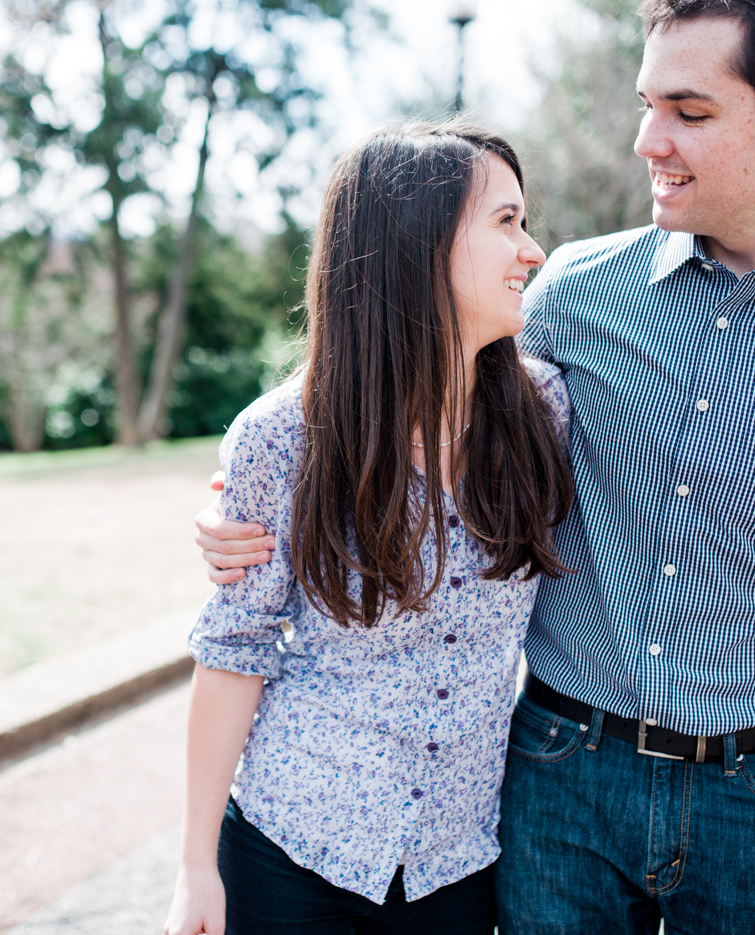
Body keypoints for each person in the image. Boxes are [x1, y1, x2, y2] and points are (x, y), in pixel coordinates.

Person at [195, 0, 755, 932]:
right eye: (646, 103)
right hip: (556, 782)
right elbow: (406, 386)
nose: (647, 140)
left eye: (689, 113)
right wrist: (241, 506)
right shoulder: (574, 289)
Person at [164, 122, 575, 935]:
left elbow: (646, 526)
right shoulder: (282, 436)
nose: (532, 251)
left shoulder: (547, 412)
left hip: (455, 864)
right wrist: (194, 865)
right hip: (292, 849)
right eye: (506, 222)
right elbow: (233, 650)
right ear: (417, 244)